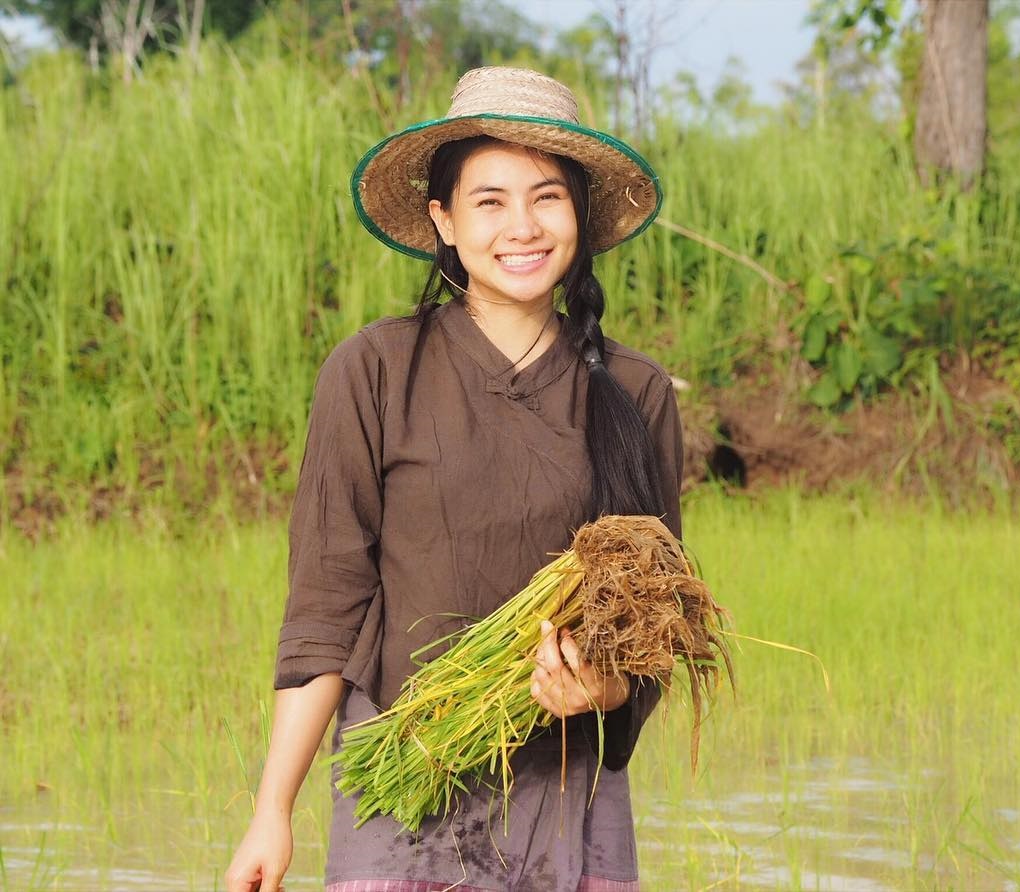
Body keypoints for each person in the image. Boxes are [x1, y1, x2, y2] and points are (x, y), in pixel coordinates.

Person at [225, 66, 683, 892]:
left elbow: (650, 630)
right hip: (403, 774)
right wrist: (271, 811)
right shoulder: (374, 370)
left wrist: (603, 688)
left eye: (548, 197)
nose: (523, 227)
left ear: (579, 212)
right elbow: (328, 605)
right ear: (442, 220)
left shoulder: (636, 392)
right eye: (490, 201)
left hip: (567, 787)